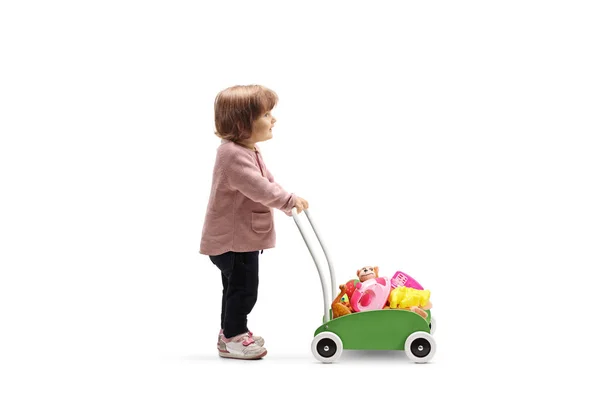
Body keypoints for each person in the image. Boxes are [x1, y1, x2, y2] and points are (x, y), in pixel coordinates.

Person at [199, 85, 309, 360]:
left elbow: (268, 181)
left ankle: (230, 334)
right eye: (266, 114)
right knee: (244, 290)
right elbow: (258, 187)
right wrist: (287, 201)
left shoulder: (249, 149)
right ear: (242, 123)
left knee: (235, 288)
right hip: (233, 240)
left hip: (239, 237)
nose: (273, 119)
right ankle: (234, 335)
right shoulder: (233, 155)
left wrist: (288, 196)